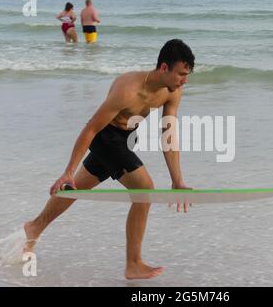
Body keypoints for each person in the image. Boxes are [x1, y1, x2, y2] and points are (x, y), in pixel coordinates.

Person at [23, 39, 195, 280]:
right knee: (145, 190)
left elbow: (168, 134)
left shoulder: (172, 92)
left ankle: (35, 226)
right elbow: (91, 129)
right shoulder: (128, 89)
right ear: (164, 68)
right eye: (181, 74)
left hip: (126, 139)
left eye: (187, 75)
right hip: (104, 137)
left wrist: (177, 180)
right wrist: (68, 171)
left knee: (77, 189)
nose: (183, 80)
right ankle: (133, 263)